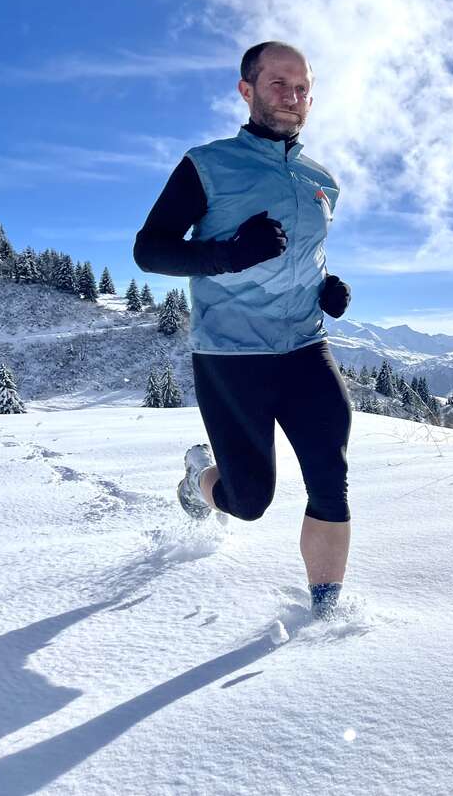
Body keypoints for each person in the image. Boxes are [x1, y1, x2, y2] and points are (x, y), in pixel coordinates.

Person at [133, 41, 352, 620]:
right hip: (232, 355)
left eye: (303, 87)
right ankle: (199, 479)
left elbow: (310, 254)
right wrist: (228, 254)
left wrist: (328, 288)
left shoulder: (322, 180)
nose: (293, 97)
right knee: (249, 500)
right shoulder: (206, 165)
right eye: (279, 84)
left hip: (306, 346)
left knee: (331, 478)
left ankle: (325, 616)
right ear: (247, 89)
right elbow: (150, 252)